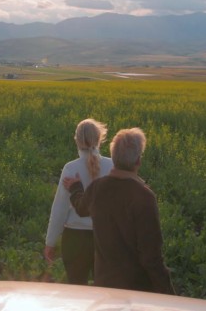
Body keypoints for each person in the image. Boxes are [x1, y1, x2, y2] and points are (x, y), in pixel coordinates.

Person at [64, 127, 176, 295]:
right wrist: (169, 295)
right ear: (138, 160)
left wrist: (75, 189)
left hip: (105, 286)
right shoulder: (144, 197)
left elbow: (81, 208)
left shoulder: (97, 188)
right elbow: (151, 257)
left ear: (114, 157)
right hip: (136, 291)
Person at [44, 118, 113, 285]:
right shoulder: (112, 166)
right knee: (104, 292)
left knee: (76, 291)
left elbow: (59, 209)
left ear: (76, 140)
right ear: (100, 138)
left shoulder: (71, 168)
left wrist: (50, 242)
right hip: (104, 239)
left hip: (75, 240)